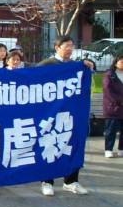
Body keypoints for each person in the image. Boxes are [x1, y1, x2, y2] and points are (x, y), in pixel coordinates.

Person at [37, 35, 94, 196]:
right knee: (50, 146)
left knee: (73, 145)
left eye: (71, 46)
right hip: (51, 114)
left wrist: (87, 65)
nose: (70, 49)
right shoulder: (46, 65)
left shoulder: (76, 66)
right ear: (57, 48)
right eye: (66, 46)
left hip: (71, 114)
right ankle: (47, 182)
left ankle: (71, 181)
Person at [103, 54, 123, 158]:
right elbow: (108, 91)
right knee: (111, 130)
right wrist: (119, 101)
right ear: (115, 63)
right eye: (122, 62)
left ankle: (121, 149)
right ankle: (108, 149)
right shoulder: (110, 75)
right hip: (113, 108)